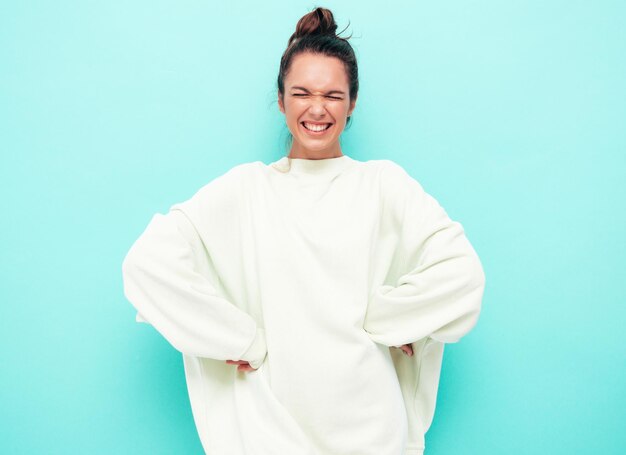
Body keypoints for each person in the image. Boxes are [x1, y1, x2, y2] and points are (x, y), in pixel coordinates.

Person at [121, 7, 485, 455]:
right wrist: (237, 337)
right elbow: (147, 265)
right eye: (302, 93)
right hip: (271, 431)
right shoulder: (247, 189)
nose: (317, 109)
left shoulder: (382, 185)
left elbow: (462, 274)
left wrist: (391, 318)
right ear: (281, 100)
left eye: (333, 95)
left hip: (371, 429)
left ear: (352, 103)